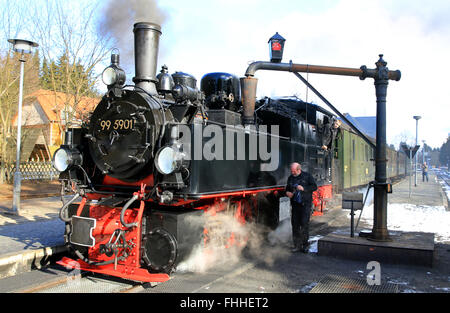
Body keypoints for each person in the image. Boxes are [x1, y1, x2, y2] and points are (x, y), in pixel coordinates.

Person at [285, 162, 318, 253]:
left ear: (299, 170)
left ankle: (305, 245)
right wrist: (287, 193)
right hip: (295, 205)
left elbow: (314, 187)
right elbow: (287, 188)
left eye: (294, 171)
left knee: (304, 224)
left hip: (305, 205)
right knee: (295, 225)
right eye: (291, 171)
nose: (292, 173)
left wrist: (304, 188)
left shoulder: (307, 176)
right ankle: (296, 245)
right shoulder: (290, 178)